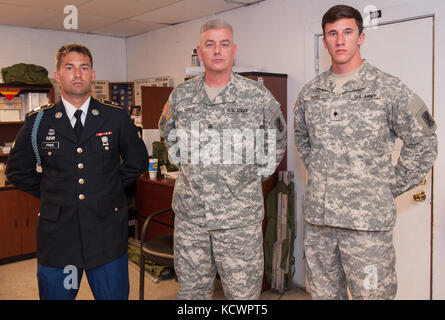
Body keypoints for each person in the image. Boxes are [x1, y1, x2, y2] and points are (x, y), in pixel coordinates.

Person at [294, 5, 438, 300]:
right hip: (320, 226)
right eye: (332, 34)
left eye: (348, 32)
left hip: (367, 228)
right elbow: (302, 140)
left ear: (361, 37)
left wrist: (387, 186)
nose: (340, 40)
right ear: (324, 41)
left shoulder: (389, 89)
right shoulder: (310, 93)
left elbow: (424, 142)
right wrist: (323, 176)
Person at [6, 44, 149, 300]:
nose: (78, 74)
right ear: (58, 75)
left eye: (84, 68)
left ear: (92, 74)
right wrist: (53, 192)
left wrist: (108, 187)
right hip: (59, 237)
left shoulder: (114, 117)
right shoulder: (38, 121)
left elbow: (137, 162)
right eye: (69, 68)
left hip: (105, 233)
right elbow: (17, 171)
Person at [159, 19, 287, 299]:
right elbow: (167, 132)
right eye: (210, 44)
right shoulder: (181, 96)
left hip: (239, 220)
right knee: (192, 294)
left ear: (234, 50)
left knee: (242, 296)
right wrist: (191, 168)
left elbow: (278, 140)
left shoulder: (256, 96)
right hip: (192, 219)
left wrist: (252, 176)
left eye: (224, 44)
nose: (217, 50)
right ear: (200, 51)